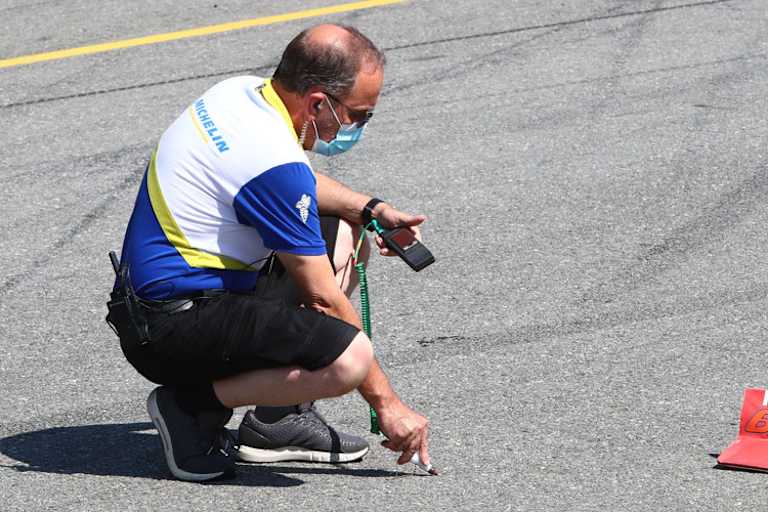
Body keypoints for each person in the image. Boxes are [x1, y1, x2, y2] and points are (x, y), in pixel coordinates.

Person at [107, 23, 431, 482]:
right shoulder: (270, 162)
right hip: (170, 328)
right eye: (359, 115)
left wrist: (369, 208)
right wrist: (388, 404)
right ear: (319, 102)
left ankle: (277, 422)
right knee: (349, 360)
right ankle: (187, 407)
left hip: (156, 302)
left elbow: (288, 182)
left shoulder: (239, 94)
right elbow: (323, 299)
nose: (358, 126)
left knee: (342, 231)